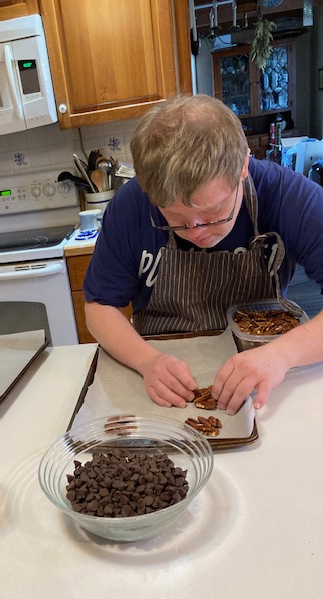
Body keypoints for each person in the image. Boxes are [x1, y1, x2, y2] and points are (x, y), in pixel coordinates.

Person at [83, 94, 323, 415]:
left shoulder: (288, 196)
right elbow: (99, 307)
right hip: (161, 375)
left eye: (212, 213)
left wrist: (282, 355)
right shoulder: (130, 206)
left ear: (243, 167)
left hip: (268, 369)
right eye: (175, 218)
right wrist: (146, 360)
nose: (196, 232)